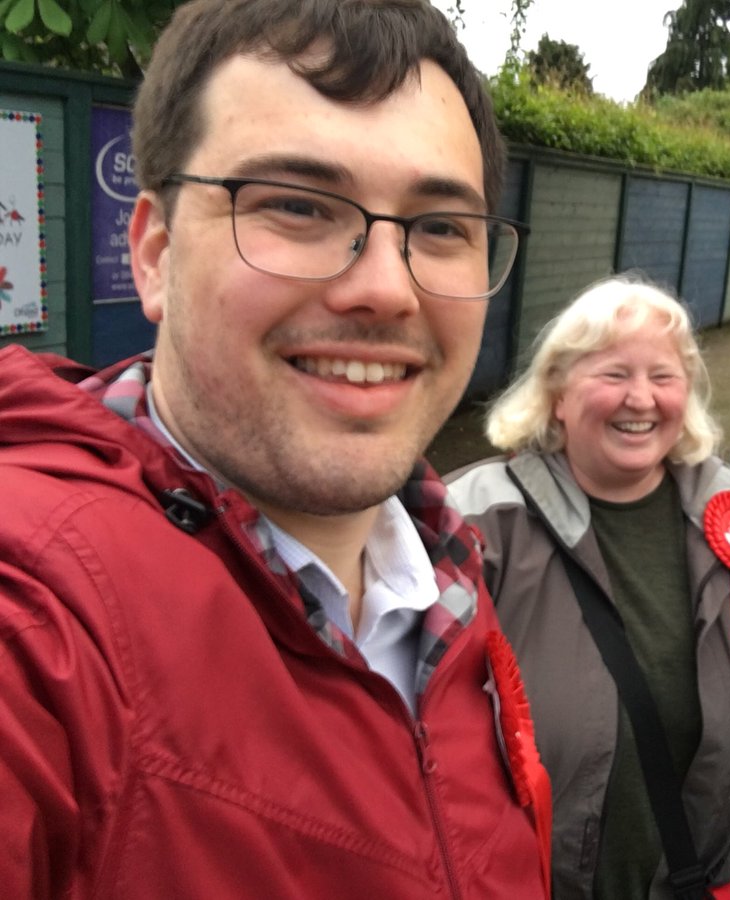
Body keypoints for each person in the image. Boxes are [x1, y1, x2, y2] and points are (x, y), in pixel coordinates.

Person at [0, 1, 548, 897]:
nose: (387, 289)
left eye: (441, 227)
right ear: (155, 253)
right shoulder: (39, 622)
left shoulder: (447, 570)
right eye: (296, 206)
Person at [447, 275, 730, 899]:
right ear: (557, 394)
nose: (641, 398)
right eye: (614, 374)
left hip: (698, 875)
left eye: (663, 376)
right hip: (515, 880)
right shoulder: (475, 520)